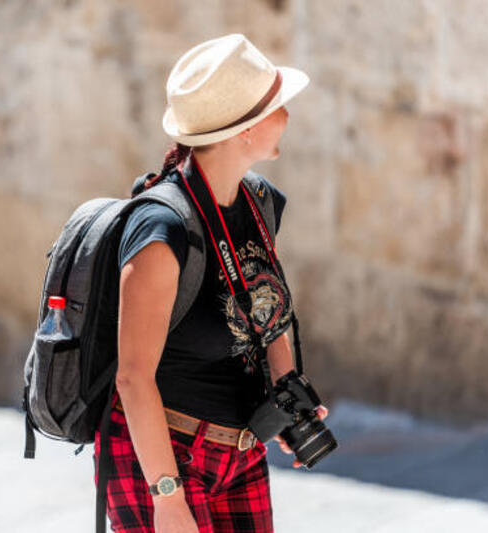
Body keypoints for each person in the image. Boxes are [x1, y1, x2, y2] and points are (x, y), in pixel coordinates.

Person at [93, 34, 330, 532]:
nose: (288, 115)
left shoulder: (259, 203)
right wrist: (166, 497)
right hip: (160, 456)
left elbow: (268, 310)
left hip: (240, 451)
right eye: (277, 106)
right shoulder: (162, 229)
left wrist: (287, 396)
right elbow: (132, 377)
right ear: (243, 130)